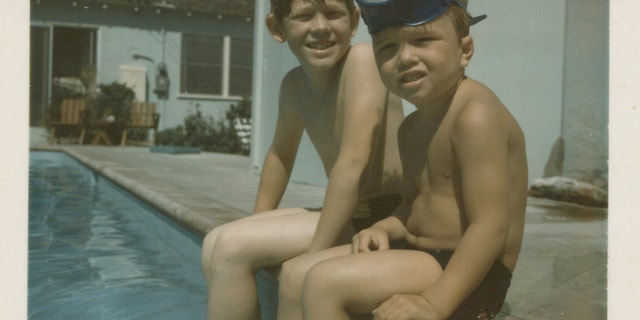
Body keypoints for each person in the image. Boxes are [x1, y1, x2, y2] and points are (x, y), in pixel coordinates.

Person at [299, 0, 528, 319]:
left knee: (322, 283)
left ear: (464, 50)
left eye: (423, 40)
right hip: (422, 256)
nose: (405, 58)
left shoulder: (476, 116)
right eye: (388, 48)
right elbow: (414, 203)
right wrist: (384, 227)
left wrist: (433, 303)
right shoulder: (410, 129)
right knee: (297, 273)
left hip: (473, 274)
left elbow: (490, 227)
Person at [200, 0, 405, 319]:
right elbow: (280, 156)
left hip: (384, 217)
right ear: (277, 28)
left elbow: (353, 163)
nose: (321, 26)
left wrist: (316, 255)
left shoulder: (363, 61)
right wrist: (255, 224)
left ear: (353, 21)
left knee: (231, 247)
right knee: (216, 242)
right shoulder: (294, 85)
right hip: (349, 214)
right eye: (305, 15)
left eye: (334, 14)